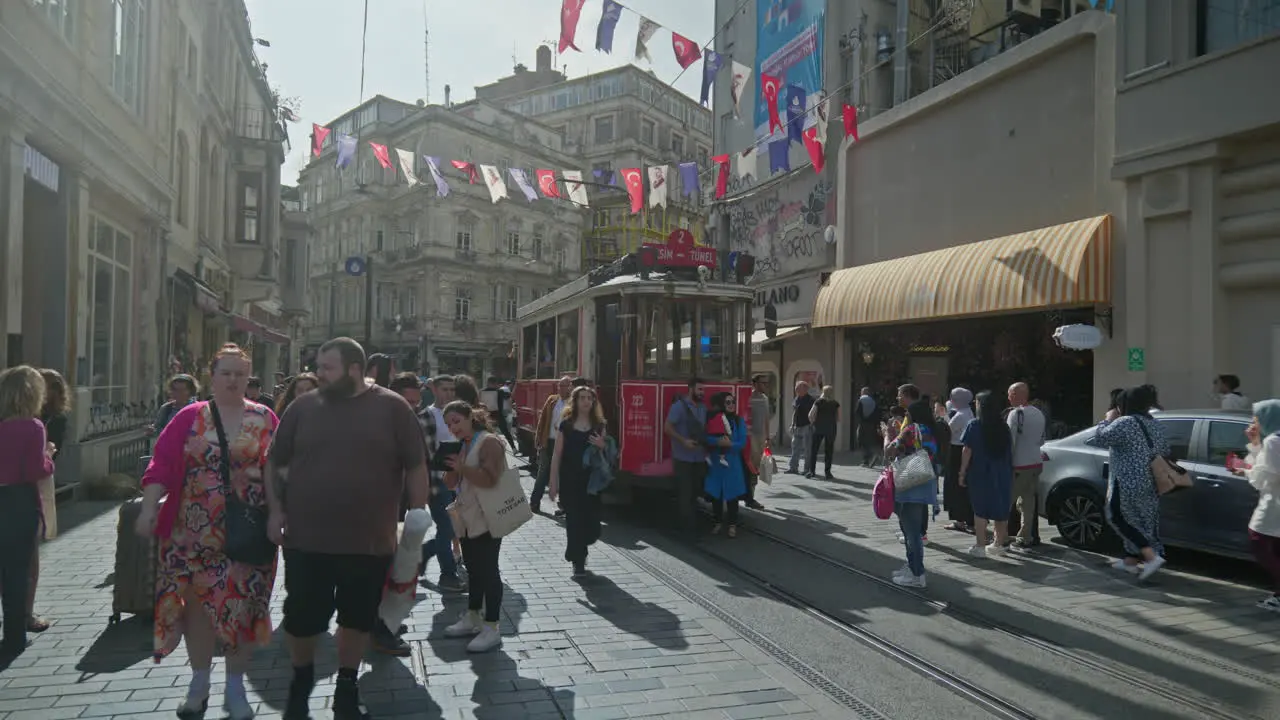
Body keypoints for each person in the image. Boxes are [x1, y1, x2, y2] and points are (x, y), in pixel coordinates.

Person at [265, 337, 429, 719]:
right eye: (319, 366)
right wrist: (275, 511)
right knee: (303, 619)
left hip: (369, 539)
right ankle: (302, 677)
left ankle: (346, 682)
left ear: (355, 369)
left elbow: (415, 463)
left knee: (355, 617)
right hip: (307, 537)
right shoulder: (303, 407)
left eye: (328, 367)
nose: (319, 373)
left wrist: (418, 514)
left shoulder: (393, 407)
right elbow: (274, 461)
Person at [134, 344, 278, 719]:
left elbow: (279, 473)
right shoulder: (189, 416)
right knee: (198, 608)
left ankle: (235, 687)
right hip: (192, 530)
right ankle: (199, 682)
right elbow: (161, 465)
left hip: (248, 528)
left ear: (249, 379)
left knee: (243, 606)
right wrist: (149, 507)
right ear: (211, 377)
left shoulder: (264, 418)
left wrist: (280, 515)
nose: (232, 380)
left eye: (240, 374)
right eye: (225, 372)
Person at [440, 400, 508, 652]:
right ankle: (473, 616)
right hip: (467, 517)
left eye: (456, 421)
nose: (453, 428)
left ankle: (492, 627)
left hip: (489, 516)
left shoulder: (489, 442)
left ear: (470, 417)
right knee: (473, 568)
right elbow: (450, 484)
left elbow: (490, 480)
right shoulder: (462, 444)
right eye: (448, 424)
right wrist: (450, 468)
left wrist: (462, 467)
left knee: (489, 570)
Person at [0, 366, 55, 659]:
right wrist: (49, 457)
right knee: (16, 570)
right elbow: (36, 469)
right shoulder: (32, 427)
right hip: (18, 501)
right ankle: (13, 636)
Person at [1087, 385, 1168, 580]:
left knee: (1116, 516)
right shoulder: (1154, 423)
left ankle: (1150, 557)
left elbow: (1099, 438)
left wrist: (1107, 419)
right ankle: (1130, 561)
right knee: (1141, 521)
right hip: (1151, 482)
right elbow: (1165, 449)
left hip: (1126, 481)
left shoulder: (1125, 422)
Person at [549, 386, 608, 577]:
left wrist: (601, 445)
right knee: (574, 521)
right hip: (570, 480)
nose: (586, 401)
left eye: (589, 398)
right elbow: (557, 455)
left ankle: (580, 547)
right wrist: (553, 483)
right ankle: (578, 560)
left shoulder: (599, 425)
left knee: (592, 526)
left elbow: (606, 454)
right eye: (582, 398)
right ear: (575, 401)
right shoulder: (566, 425)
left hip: (592, 483)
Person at [885, 396, 941, 588]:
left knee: (911, 532)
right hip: (924, 481)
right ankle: (912, 566)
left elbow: (889, 451)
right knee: (913, 529)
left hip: (908, 482)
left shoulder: (910, 430)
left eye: (908, 412)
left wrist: (888, 433)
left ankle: (917, 573)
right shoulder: (931, 430)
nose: (906, 414)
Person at [418, 376, 465, 592]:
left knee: (455, 527)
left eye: (452, 389)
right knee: (447, 527)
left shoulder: (459, 413)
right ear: (434, 390)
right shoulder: (426, 416)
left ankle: (423, 554)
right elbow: (424, 456)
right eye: (444, 389)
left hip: (461, 479)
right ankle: (447, 575)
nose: (448, 393)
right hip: (438, 482)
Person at [1236, 399, 1280, 612]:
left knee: (1258, 540)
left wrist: (1243, 470)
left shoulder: (1273, 441)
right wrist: (1255, 443)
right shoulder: (1274, 439)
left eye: (1256, 419)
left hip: (1274, 504)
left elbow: (1263, 478)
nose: (1254, 423)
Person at [958, 391, 1013, 557]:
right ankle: (998, 544)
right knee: (1001, 506)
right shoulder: (1004, 426)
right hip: (1003, 471)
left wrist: (962, 472)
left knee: (980, 509)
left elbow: (967, 450)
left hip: (980, 471)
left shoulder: (974, 425)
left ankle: (980, 545)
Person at [664, 377, 708, 533]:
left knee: (694, 493)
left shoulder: (702, 408)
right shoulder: (678, 407)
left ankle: (691, 525)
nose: (702, 392)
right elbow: (667, 428)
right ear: (691, 389)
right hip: (683, 458)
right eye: (699, 389)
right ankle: (686, 529)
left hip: (699, 457)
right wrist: (683, 441)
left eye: (703, 389)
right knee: (685, 494)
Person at [703, 392, 749, 538]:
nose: (731, 405)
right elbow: (706, 437)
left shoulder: (739, 420)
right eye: (728, 402)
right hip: (717, 462)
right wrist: (717, 442)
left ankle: (732, 525)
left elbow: (742, 442)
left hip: (732, 463)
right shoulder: (714, 419)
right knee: (717, 495)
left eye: (733, 402)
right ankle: (717, 522)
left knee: (732, 496)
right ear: (722, 404)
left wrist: (730, 445)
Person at [1007, 382, 1045, 548]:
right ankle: (1025, 536)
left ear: (1016, 394)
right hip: (1036, 462)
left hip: (1019, 465)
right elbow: (1042, 439)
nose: (1008, 398)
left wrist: (1007, 463)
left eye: (1009, 394)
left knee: (1006, 502)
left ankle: (999, 537)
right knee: (1028, 503)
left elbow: (1010, 442)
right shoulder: (1039, 413)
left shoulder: (1015, 414)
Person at [531, 376, 573, 514]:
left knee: (563, 474)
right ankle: (534, 502)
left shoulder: (573, 403)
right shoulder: (551, 400)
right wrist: (538, 438)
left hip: (563, 444)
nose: (561, 388)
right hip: (548, 441)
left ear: (570, 387)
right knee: (543, 472)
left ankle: (564, 506)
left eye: (564, 386)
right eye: (559, 386)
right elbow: (542, 420)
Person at [943, 388, 975, 534]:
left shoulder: (960, 415)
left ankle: (959, 520)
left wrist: (942, 416)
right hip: (966, 451)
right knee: (964, 487)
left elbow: (947, 431)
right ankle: (968, 519)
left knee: (955, 486)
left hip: (956, 451)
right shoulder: (969, 412)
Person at [745, 374, 772, 510]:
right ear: (754, 384)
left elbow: (766, 419)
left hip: (760, 438)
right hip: (750, 438)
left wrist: (767, 438)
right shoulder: (747, 397)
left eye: (767, 383)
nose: (766, 386)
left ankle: (751, 496)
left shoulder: (765, 399)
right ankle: (749, 498)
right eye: (763, 383)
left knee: (755, 468)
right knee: (750, 467)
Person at [807, 385, 840, 479]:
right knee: (829, 451)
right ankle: (828, 472)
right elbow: (838, 418)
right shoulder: (835, 403)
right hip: (831, 429)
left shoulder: (818, 402)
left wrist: (813, 422)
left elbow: (810, 415)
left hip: (818, 428)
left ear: (823, 392)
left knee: (814, 450)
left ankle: (812, 471)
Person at [481, 376, 516, 447]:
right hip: (498, 415)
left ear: (488, 383)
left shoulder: (482, 391)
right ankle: (513, 448)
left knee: (484, 432)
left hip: (486, 415)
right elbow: (510, 396)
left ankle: (485, 446)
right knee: (506, 432)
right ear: (495, 383)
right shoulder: (499, 391)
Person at [787, 381, 815, 475]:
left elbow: (814, 414)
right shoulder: (796, 399)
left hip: (807, 426)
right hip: (797, 426)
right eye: (796, 388)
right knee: (795, 448)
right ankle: (793, 467)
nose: (796, 389)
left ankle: (807, 469)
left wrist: (812, 424)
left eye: (798, 388)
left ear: (805, 389)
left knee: (807, 449)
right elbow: (794, 413)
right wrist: (792, 424)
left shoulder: (811, 400)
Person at [855, 387, 879, 467]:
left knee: (861, 440)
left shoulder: (861, 400)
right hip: (871, 424)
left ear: (863, 392)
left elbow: (857, 412)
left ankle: (867, 459)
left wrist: (860, 420)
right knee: (869, 441)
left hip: (863, 424)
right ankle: (870, 457)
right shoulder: (873, 402)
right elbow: (877, 413)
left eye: (861, 391)